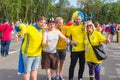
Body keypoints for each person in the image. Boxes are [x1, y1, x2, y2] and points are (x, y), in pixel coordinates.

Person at [67, 16, 85, 80]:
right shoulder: (71, 27)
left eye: (79, 19)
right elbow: (68, 37)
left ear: (81, 20)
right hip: (74, 49)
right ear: (74, 20)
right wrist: (70, 41)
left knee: (82, 65)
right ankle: (70, 78)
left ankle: (80, 77)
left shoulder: (84, 26)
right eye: (77, 19)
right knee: (72, 65)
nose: (78, 20)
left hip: (83, 49)